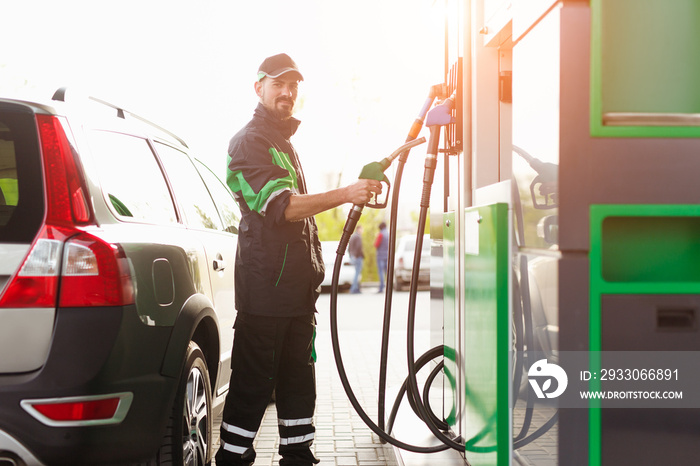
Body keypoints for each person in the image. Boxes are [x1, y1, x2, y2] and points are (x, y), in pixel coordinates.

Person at [215, 53, 381, 466]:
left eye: (293, 86)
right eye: (278, 85)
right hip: (265, 293)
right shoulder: (250, 142)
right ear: (259, 88)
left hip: (295, 296)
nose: (287, 93)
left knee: (297, 387)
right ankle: (233, 459)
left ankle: (298, 457)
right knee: (253, 386)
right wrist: (347, 193)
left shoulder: (283, 143)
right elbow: (282, 208)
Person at [348, 225, 364, 293]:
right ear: (358, 229)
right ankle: (354, 288)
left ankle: (356, 288)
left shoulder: (352, 236)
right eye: (362, 229)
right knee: (357, 273)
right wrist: (357, 255)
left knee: (356, 273)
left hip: (353, 257)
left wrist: (351, 255)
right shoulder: (358, 237)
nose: (362, 231)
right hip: (357, 257)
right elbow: (358, 247)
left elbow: (349, 248)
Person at [374, 221, 389, 293]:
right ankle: (389, 287)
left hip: (380, 256)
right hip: (388, 255)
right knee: (387, 272)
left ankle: (381, 288)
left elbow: (376, 244)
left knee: (381, 272)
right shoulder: (389, 233)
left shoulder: (380, 234)